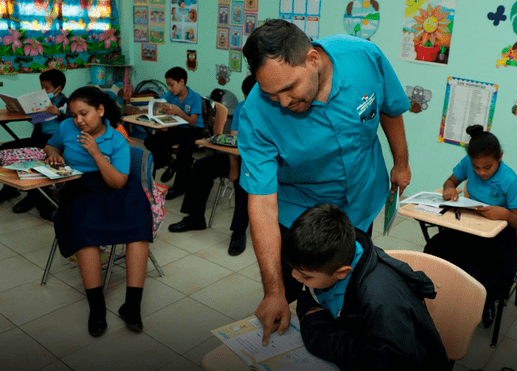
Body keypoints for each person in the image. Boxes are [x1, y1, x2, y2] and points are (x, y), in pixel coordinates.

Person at [239, 19, 412, 344]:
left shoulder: (363, 57)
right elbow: (261, 203)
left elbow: (390, 106)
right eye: (271, 94)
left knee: (353, 295)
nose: (284, 103)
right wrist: (273, 291)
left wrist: (401, 162)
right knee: (295, 300)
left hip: (361, 206)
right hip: (299, 218)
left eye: (289, 88)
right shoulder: (256, 115)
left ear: (313, 59)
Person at [282, 203, 449, 370]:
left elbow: (382, 364)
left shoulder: (381, 297)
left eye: (305, 276)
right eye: (294, 269)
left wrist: (320, 332)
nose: (294, 277)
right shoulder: (327, 260)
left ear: (342, 273)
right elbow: (309, 297)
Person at [44, 86, 153, 337]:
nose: (79, 121)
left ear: (100, 110)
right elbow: (51, 145)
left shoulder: (116, 140)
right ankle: (97, 308)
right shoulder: (67, 128)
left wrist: (95, 151)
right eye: (74, 115)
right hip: (80, 186)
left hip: (117, 185)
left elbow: (118, 182)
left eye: (84, 113)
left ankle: (132, 307)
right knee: (85, 231)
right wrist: (53, 154)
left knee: (138, 228)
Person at [425, 125, 517, 328]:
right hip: (470, 222)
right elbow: (450, 181)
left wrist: (503, 213)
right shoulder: (467, 164)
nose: (481, 172)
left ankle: (484, 298)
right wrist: (449, 189)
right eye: (476, 167)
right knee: (435, 248)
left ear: (500, 157)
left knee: (481, 262)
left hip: (498, 231)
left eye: (487, 167)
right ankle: (445, 292)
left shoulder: (510, 180)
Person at [167, 75, 257, 257]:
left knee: (244, 182)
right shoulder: (242, 107)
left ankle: (238, 232)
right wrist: (233, 166)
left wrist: (238, 169)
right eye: (247, 96)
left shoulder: (273, 111)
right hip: (237, 156)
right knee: (201, 167)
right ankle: (195, 218)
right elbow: (234, 139)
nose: (249, 101)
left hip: (258, 163)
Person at [0, 69, 68, 220]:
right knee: (4, 148)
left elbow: (72, 121)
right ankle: (9, 189)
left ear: (59, 89)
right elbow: (34, 119)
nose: (43, 91)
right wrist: (15, 109)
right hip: (40, 138)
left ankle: (34, 195)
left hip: (55, 142)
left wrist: (59, 113)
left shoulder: (65, 103)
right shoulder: (42, 101)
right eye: (41, 87)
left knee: (32, 156)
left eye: (47, 88)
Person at [143, 66, 204, 200]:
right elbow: (159, 104)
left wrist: (178, 111)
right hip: (177, 129)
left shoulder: (195, 97)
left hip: (194, 131)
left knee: (184, 152)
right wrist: (157, 113)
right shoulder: (170, 96)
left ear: (181, 82)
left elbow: (193, 122)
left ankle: (179, 187)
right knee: (150, 141)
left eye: (172, 85)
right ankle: (171, 162)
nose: (169, 88)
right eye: (168, 85)